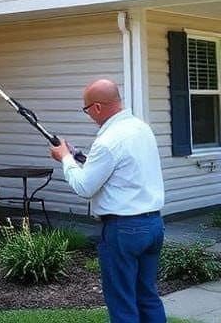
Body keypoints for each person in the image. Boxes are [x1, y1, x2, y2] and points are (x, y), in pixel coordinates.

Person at [50, 79, 165, 323]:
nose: (88, 114)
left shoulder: (108, 140)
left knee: (122, 302)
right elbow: (119, 169)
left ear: (98, 107)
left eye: (86, 109)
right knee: (147, 295)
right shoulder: (141, 128)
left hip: (123, 231)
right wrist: (77, 156)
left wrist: (65, 159)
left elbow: (84, 187)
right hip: (154, 225)